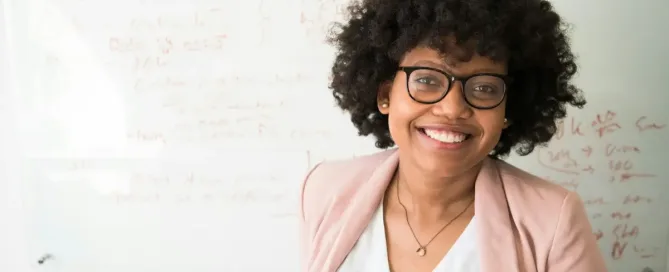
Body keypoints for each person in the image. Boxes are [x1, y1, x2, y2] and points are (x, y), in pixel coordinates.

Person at [299, 0, 607, 271]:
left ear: (508, 110)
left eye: (484, 88)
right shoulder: (323, 191)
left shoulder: (553, 221)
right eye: (427, 80)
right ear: (385, 95)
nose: (452, 108)